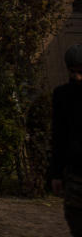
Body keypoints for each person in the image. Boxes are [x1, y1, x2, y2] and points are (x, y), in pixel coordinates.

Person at [49, 44, 82, 237]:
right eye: (73, 72)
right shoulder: (63, 95)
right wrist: (56, 173)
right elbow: (59, 135)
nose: (78, 77)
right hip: (76, 172)